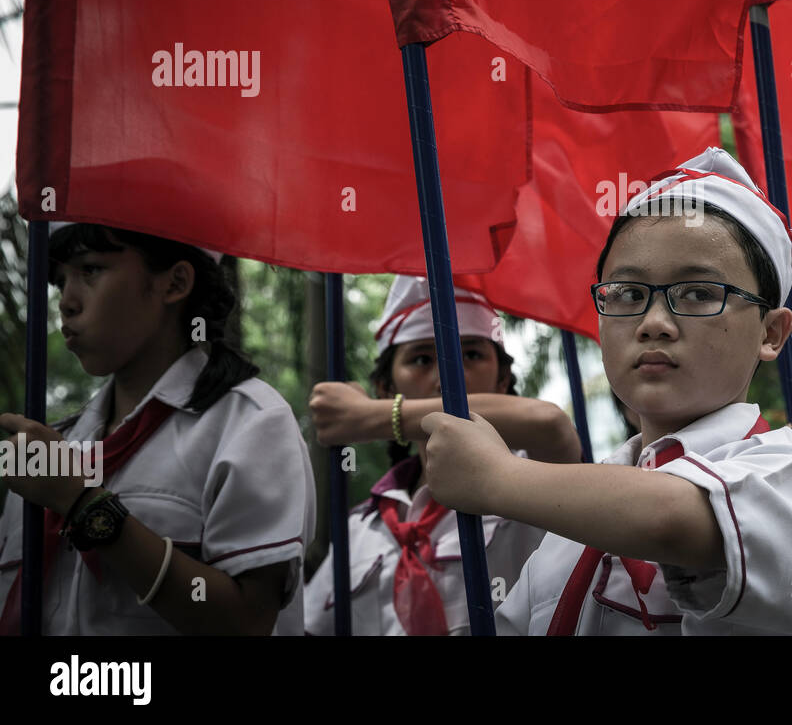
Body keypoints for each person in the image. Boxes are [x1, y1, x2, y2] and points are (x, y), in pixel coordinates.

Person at [422, 147, 792, 634]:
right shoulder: (571, 526)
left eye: (699, 294)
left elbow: (670, 517)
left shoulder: (787, 473)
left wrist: (494, 478)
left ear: (772, 333)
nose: (654, 323)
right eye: (627, 294)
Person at [0, 222, 314, 635]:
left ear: (175, 282)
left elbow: (249, 620)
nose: (67, 302)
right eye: (61, 283)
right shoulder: (56, 444)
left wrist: (83, 505)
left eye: (91, 270)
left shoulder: (251, 423)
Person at [303, 279, 577, 635]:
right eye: (421, 358)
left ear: (503, 378)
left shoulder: (533, 478)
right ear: (387, 387)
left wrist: (370, 416)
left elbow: (548, 424)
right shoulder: (361, 526)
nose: (449, 372)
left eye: (472, 354)